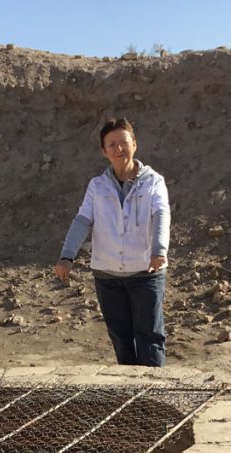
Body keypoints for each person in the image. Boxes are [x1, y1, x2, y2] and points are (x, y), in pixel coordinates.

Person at [55, 118, 171, 366]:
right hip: (108, 276)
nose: (119, 149)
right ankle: (128, 389)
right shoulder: (97, 186)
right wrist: (67, 256)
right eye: (112, 145)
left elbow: (161, 215)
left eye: (124, 142)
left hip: (146, 273)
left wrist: (159, 250)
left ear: (134, 144)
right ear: (104, 151)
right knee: (121, 338)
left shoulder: (154, 181)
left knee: (150, 337)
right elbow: (83, 220)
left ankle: (153, 390)